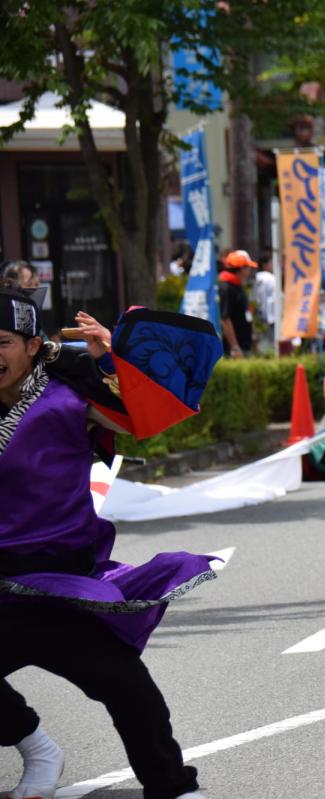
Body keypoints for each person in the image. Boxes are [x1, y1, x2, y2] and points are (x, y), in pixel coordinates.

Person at [0, 291, 219, 799]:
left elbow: (144, 418)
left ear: (32, 345)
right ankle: (37, 748)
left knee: (126, 687)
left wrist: (113, 360)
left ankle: (174, 787)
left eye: (3, 342)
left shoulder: (69, 397)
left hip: (61, 583)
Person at [217, 249, 255, 358]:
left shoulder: (238, 286)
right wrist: (234, 346)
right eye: (248, 268)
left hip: (244, 344)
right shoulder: (227, 288)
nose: (250, 271)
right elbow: (225, 319)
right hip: (235, 349)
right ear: (241, 269)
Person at [252, 253, 277, 355]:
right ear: (265, 264)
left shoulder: (255, 278)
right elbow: (274, 299)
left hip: (258, 316)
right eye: (271, 262)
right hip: (271, 317)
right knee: (272, 344)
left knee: (261, 344)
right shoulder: (271, 278)